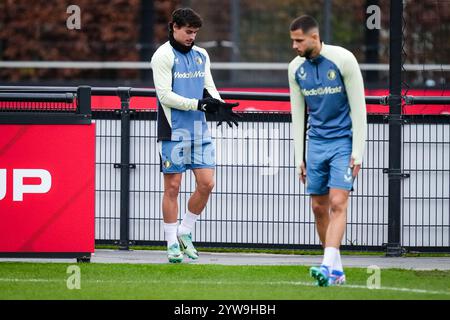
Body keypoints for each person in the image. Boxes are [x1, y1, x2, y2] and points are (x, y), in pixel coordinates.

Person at [151, 8, 241, 263]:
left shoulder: (202, 54)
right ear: (174, 27)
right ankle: (171, 243)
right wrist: (198, 104)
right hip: (173, 129)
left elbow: (208, 86)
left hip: (199, 130)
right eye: (188, 32)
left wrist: (219, 104)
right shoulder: (162, 56)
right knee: (173, 187)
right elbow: (164, 96)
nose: (192, 37)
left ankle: (185, 230)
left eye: (195, 33)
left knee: (207, 184)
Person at [288, 15, 367, 286]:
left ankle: (325, 265)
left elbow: (359, 109)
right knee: (318, 207)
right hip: (316, 144)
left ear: (314, 37)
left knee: (337, 203)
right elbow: (298, 116)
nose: (295, 46)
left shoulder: (344, 59)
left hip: (343, 143)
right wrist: (299, 157)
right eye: (293, 41)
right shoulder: (295, 69)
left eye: (299, 40)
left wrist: (358, 151)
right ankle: (336, 270)